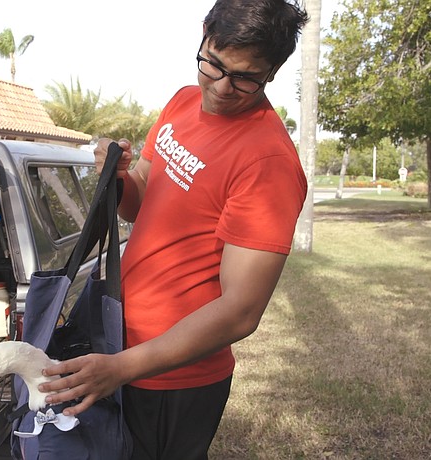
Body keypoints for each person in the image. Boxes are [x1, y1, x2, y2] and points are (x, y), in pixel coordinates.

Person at [40, 1, 310, 458]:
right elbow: (139, 199)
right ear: (204, 34)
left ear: (273, 72)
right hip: (117, 346)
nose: (222, 88)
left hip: (172, 380)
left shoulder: (269, 162)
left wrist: (123, 368)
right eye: (214, 64)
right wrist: (119, 175)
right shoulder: (184, 101)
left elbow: (241, 310)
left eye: (246, 78)